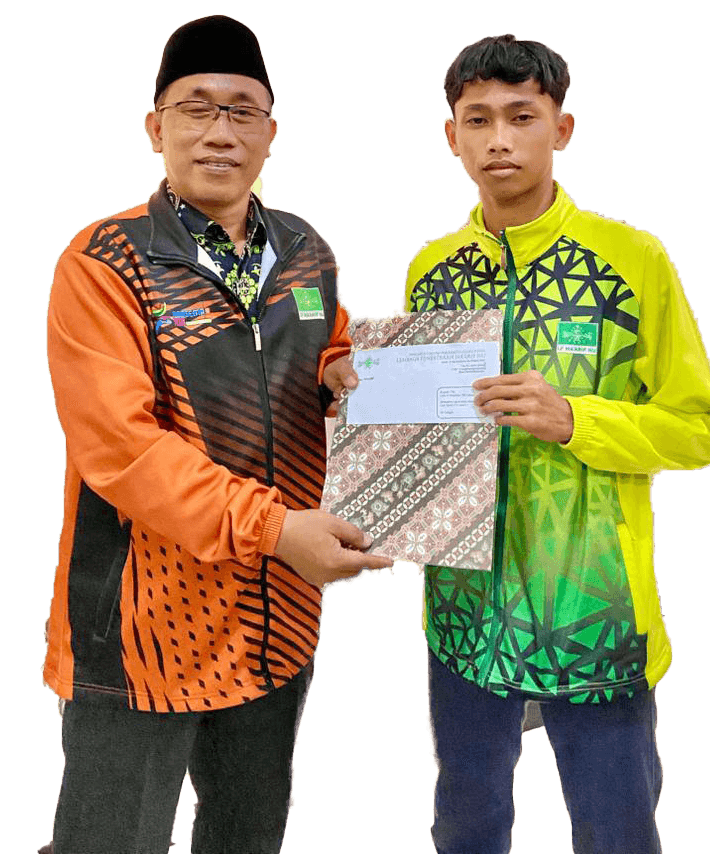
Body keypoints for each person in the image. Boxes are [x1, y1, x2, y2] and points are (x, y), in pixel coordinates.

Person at [40, 15, 390, 854]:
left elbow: (329, 347)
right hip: (143, 633)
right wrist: (274, 528)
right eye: (196, 108)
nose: (220, 132)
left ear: (270, 133)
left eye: (242, 111)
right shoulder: (105, 261)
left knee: (248, 836)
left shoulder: (304, 249)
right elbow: (123, 448)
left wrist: (347, 376)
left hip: (277, 623)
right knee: (108, 844)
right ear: (155, 127)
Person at [402, 35, 710, 854]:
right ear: (451, 137)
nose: (499, 140)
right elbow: (420, 430)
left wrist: (577, 421)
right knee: (465, 825)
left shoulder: (631, 259)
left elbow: (703, 426)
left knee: (614, 831)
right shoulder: (431, 268)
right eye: (477, 119)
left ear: (561, 128)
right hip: (460, 613)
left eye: (521, 117)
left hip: (590, 611)